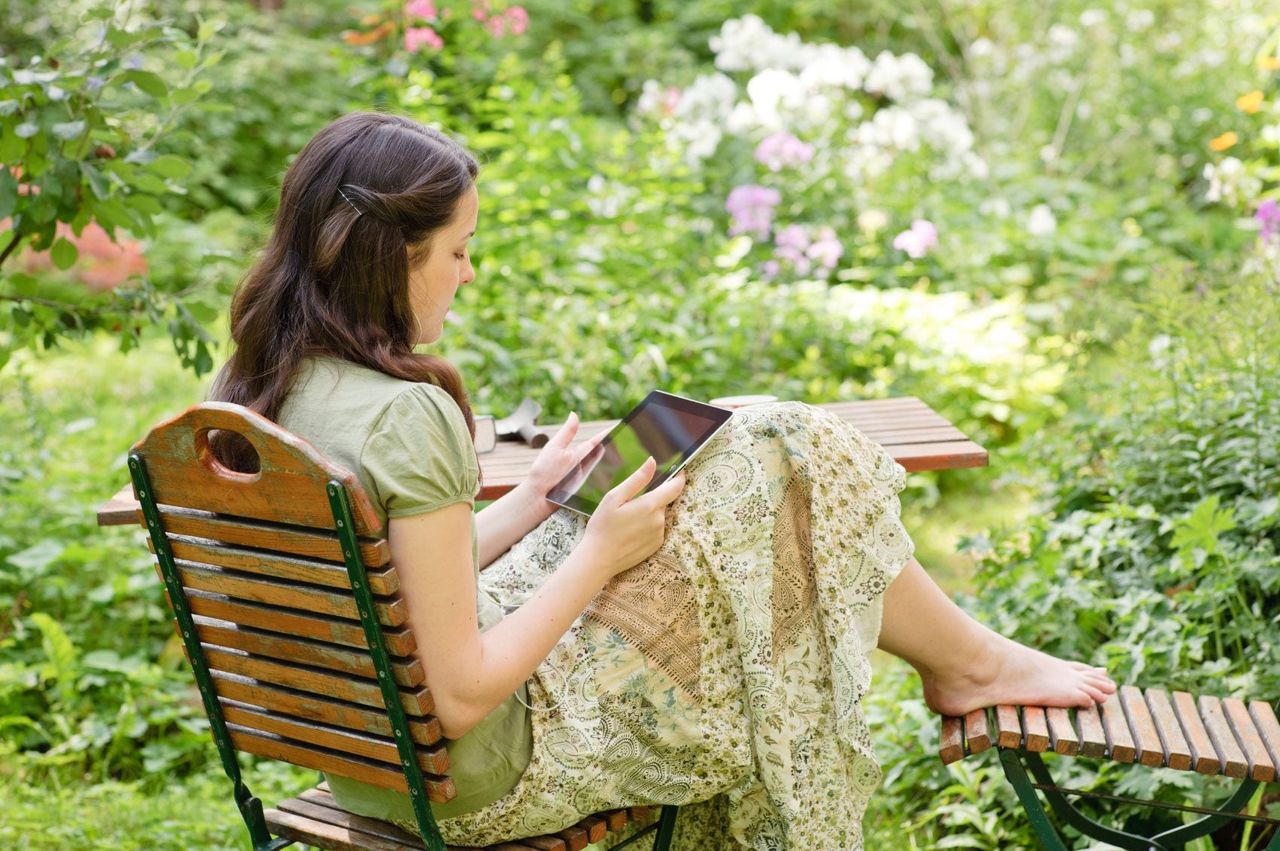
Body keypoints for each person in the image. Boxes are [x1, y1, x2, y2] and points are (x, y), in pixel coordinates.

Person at [211, 111, 1116, 849]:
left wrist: (532, 503)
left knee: (746, 434)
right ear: (387, 257)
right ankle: (969, 663)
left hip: (369, 767)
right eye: (457, 249)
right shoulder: (405, 415)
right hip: (480, 780)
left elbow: (394, 585)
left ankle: (965, 657)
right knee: (782, 456)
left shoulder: (263, 387)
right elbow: (460, 691)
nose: (468, 271)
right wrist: (597, 553)